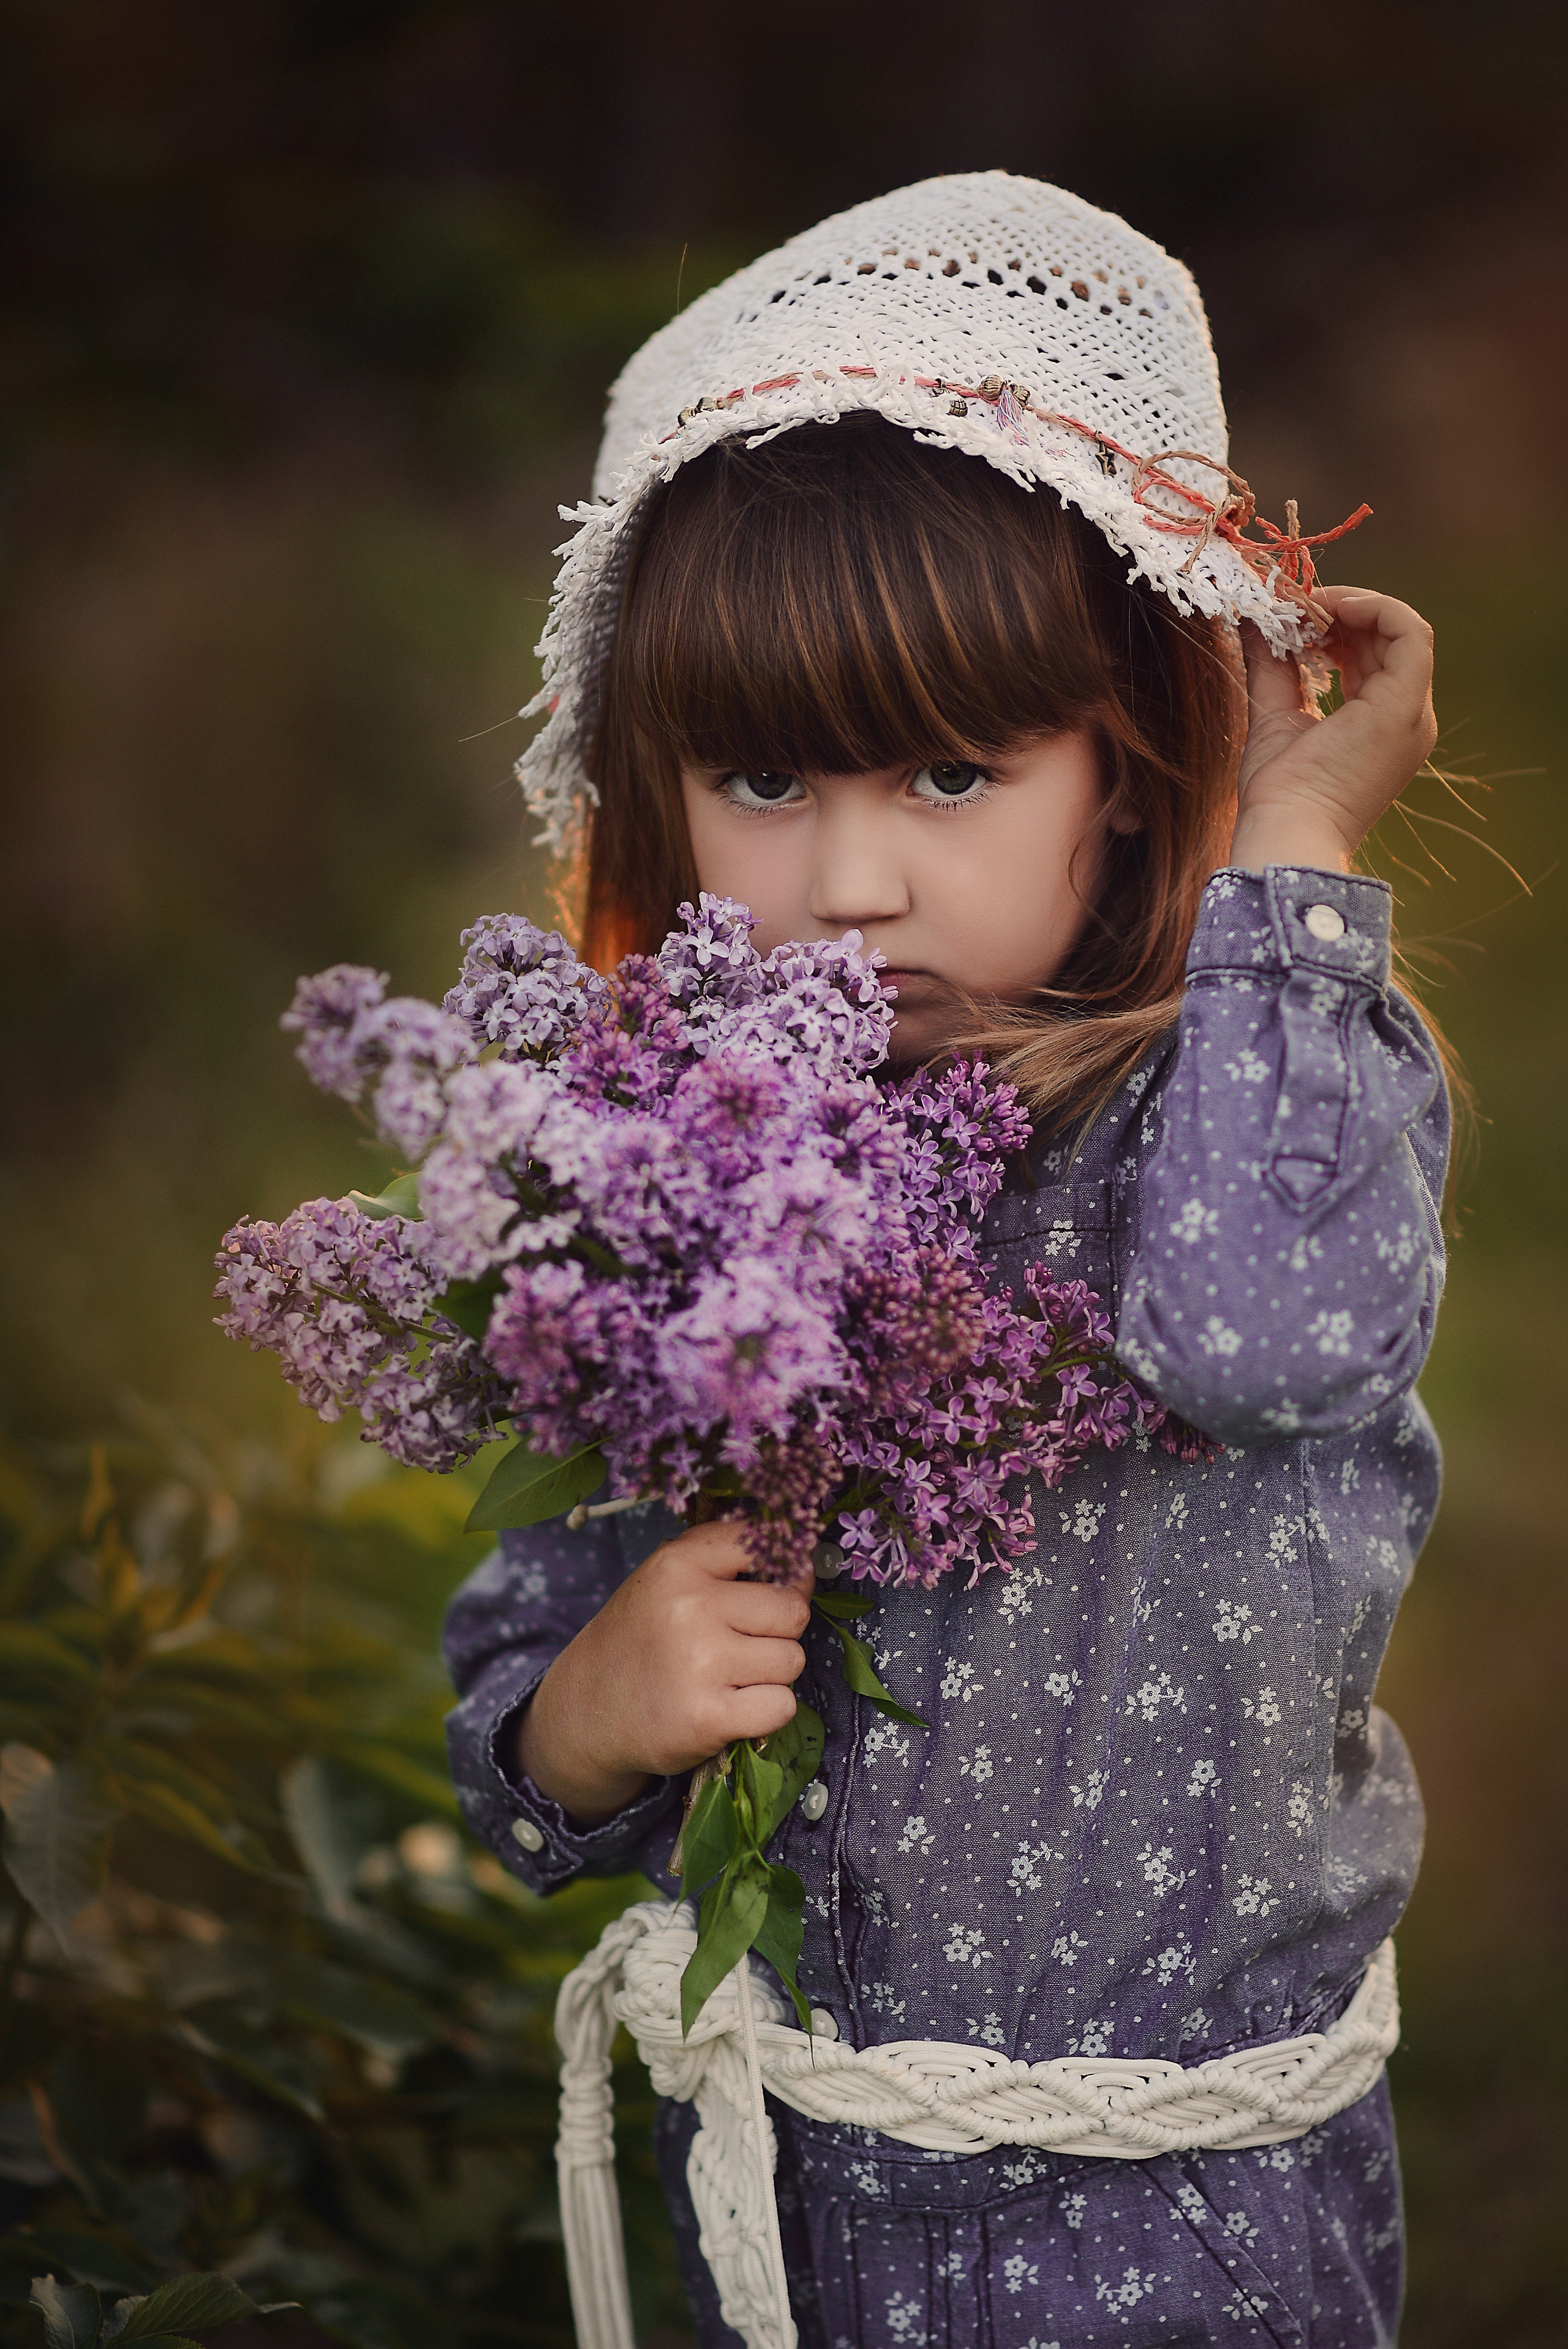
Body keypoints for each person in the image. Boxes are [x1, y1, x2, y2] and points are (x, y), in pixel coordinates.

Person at [442, 173, 1447, 2347]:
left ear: (1127, 772)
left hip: (1171, 2238)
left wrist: (1297, 843)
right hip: (790, 2220)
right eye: (767, 774)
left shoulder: (1249, 1095)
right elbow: (512, 1698)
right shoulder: (674, 1164)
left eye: (955, 768)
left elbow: (1265, 1339)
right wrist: (585, 1726)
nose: (858, 877)